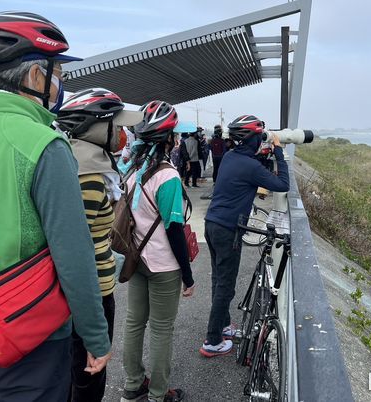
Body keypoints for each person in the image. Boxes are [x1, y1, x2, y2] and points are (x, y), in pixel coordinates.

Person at [0, 11, 111, 401]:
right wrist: (95, 335)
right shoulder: (45, 144)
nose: (60, 85)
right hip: (27, 335)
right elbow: (73, 254)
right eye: (58, 74)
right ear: (36, 77)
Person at [57, 88, 143, 402]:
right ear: (96, 127)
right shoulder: (89, 177)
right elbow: (74, 250)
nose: (123, 134)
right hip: (90, 293)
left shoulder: (72, 159)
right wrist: (94, 330)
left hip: (79, 292)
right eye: (117, 125)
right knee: (87, 379)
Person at [120, 100, 195, 402]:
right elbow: (174, 230)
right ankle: (158, 394)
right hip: (163, 265)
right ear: (168, 139)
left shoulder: (131, 169)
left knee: (134, 322)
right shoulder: (167, 176)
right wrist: (188, 276)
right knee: (162, 329)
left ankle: (132, 385)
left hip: (136, 258)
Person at [200, 115, 289, 356]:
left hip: (212, 224)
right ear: (250, 139)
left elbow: (250, 165)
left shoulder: (231, 157)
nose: (261, 140)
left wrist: (264, 154)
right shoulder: (250, 167)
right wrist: (279, 152)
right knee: (226, 286)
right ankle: (212, 341)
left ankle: (223, 325)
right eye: (259, 136)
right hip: (228, 230)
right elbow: (283, 184)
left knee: (219, 279)